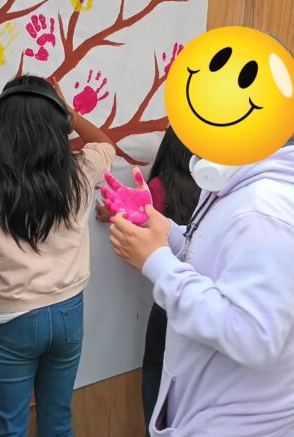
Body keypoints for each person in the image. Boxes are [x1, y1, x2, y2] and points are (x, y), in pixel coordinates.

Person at [108, 138, 294, 436]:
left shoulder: (267, 212)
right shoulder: (241, 184)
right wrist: (168, 233)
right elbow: (221, 254)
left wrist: (157, 262)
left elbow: (253, 335)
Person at [0, 75, 115, 437]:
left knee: (8, 425)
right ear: (59, 125)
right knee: (58, 419)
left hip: (11, 318)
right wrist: (69, 112)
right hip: (69, 311)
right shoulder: (82, 171)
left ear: (1, 127)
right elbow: (105, 143)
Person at [96, 126, 200, 429]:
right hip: (201, 294)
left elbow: (138, 223)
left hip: (168, 302)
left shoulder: (158, 187)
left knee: (156, 371)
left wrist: (110, 214)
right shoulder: (210, 191)